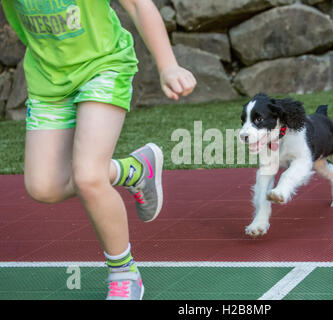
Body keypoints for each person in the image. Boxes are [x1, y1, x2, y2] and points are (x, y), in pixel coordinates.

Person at [1, 0, 197, 300]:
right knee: (44, 187)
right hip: (48, 80)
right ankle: (133, 170)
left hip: (104, 65)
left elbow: (137, 5)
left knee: (88, 178)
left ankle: (123, 273)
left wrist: (168, 65)